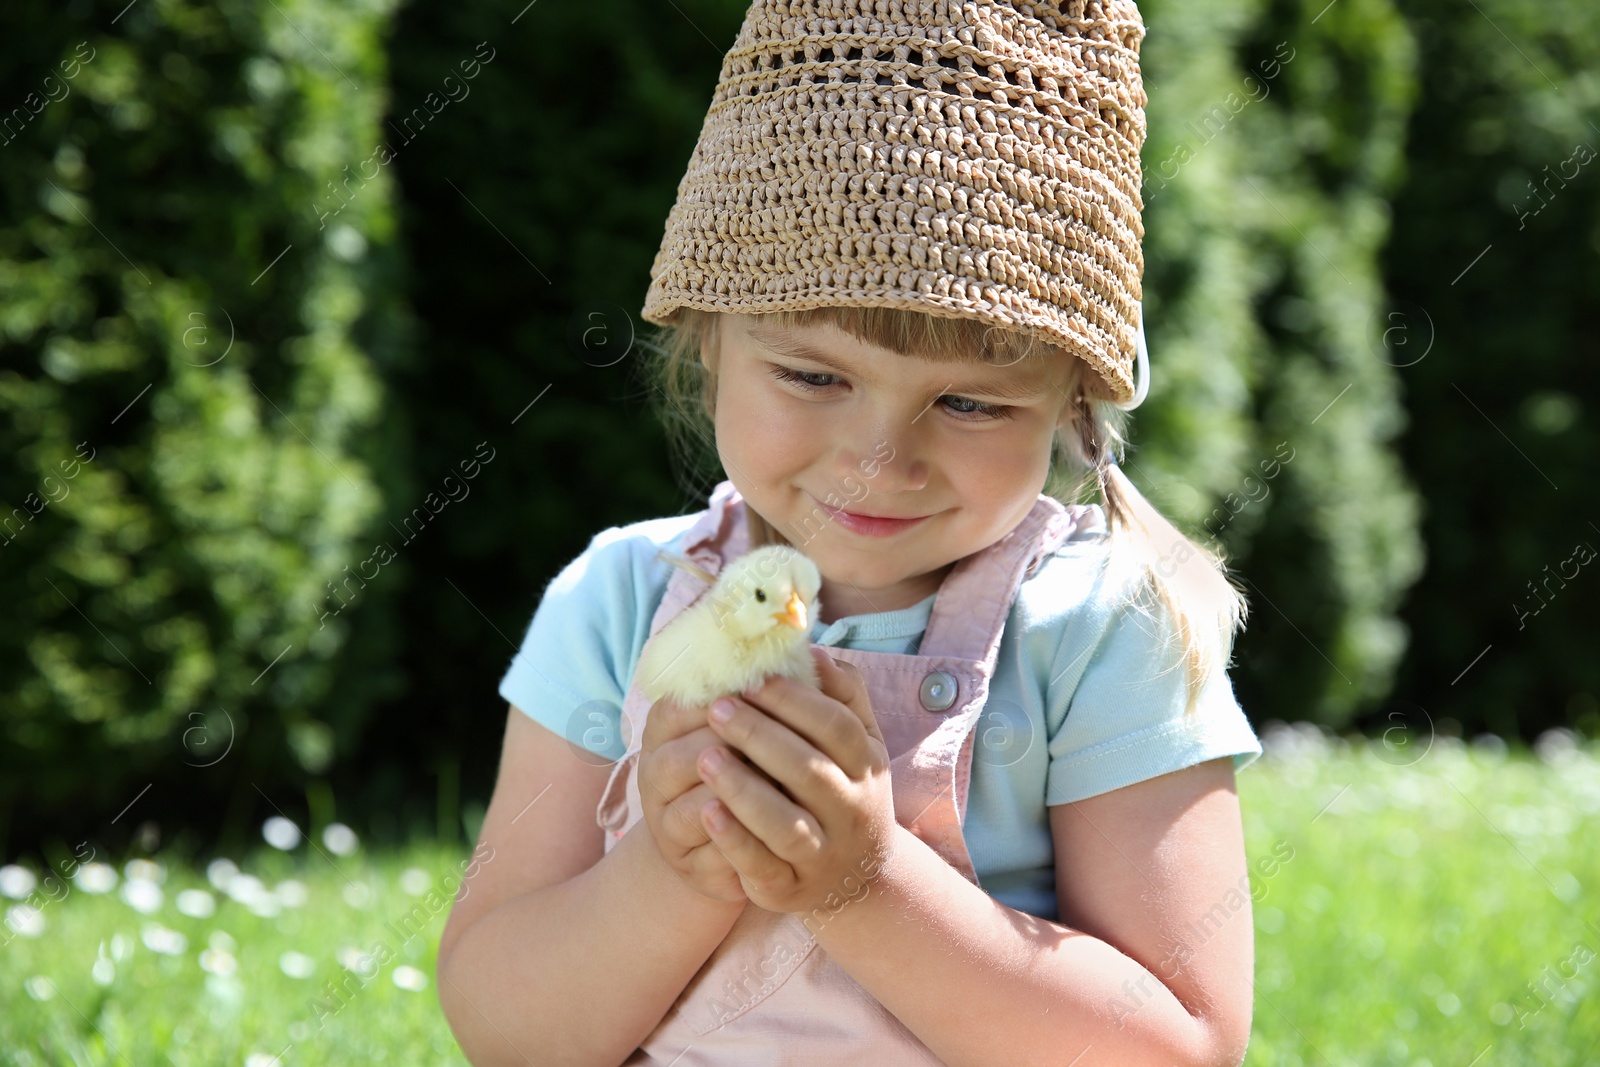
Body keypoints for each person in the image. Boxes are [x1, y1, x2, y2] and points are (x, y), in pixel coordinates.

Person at [438, 1, 1264, 1064]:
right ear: (708, 344)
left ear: (1072, 407)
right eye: (813, 375)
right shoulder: (616, 602)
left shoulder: (1101, 630)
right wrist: (671, 868)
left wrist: (863, 883)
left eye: (971, 403)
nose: (879, 459)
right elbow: (507, 1029)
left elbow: (1177, 1046)